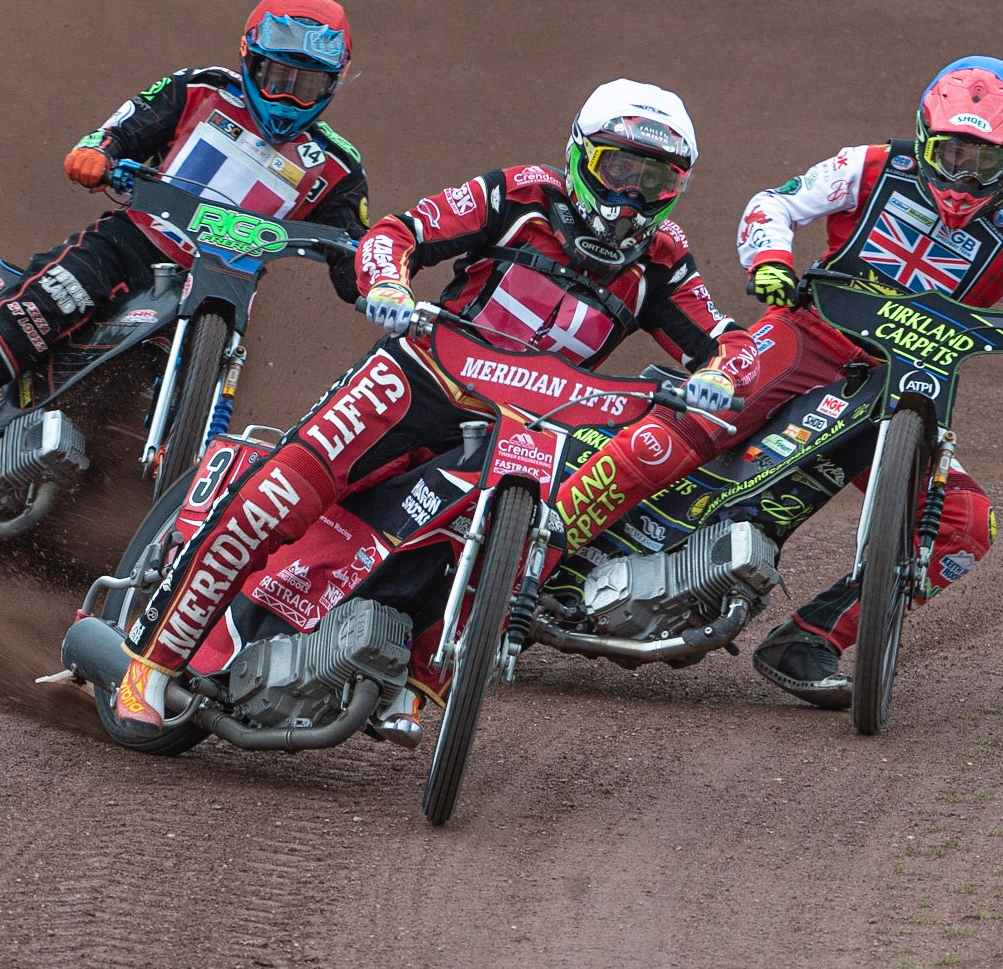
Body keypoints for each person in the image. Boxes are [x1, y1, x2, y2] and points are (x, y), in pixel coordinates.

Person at [108, 79, 761, 738]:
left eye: (654, 181)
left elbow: (729, 341)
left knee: (500, 543)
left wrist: (722, 376)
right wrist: (387, 282)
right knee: (278, 496)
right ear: (580, 157)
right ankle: (152, 663)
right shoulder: (520, 194)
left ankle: (417, 676)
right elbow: (401, 232)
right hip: (418, 376)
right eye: (617, 169)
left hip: (519, 428)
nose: (629, 197)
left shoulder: (665, 258)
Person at [0, 0, 370, 502]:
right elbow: (121, 130)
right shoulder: (199, 89)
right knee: (27, 324)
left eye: (308, 86)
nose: (288, 97)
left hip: (220, 295)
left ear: (334, 85)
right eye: (276, 78)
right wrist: (98, 153)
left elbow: (360, 258)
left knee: (208, 406)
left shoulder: (339, 169)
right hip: (127, 248)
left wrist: (379, 279)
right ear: (249, 60)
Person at [730, 55, 1003, 708]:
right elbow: (775, 203)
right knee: (695, 416)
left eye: (984, 160)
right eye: (951, 151)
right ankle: (552, 547)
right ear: (925, 136)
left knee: (966, 524)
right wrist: (770, 260)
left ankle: (809, 639)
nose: (962, 173)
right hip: (806, 342)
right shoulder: (871, 165)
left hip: (903, 391)